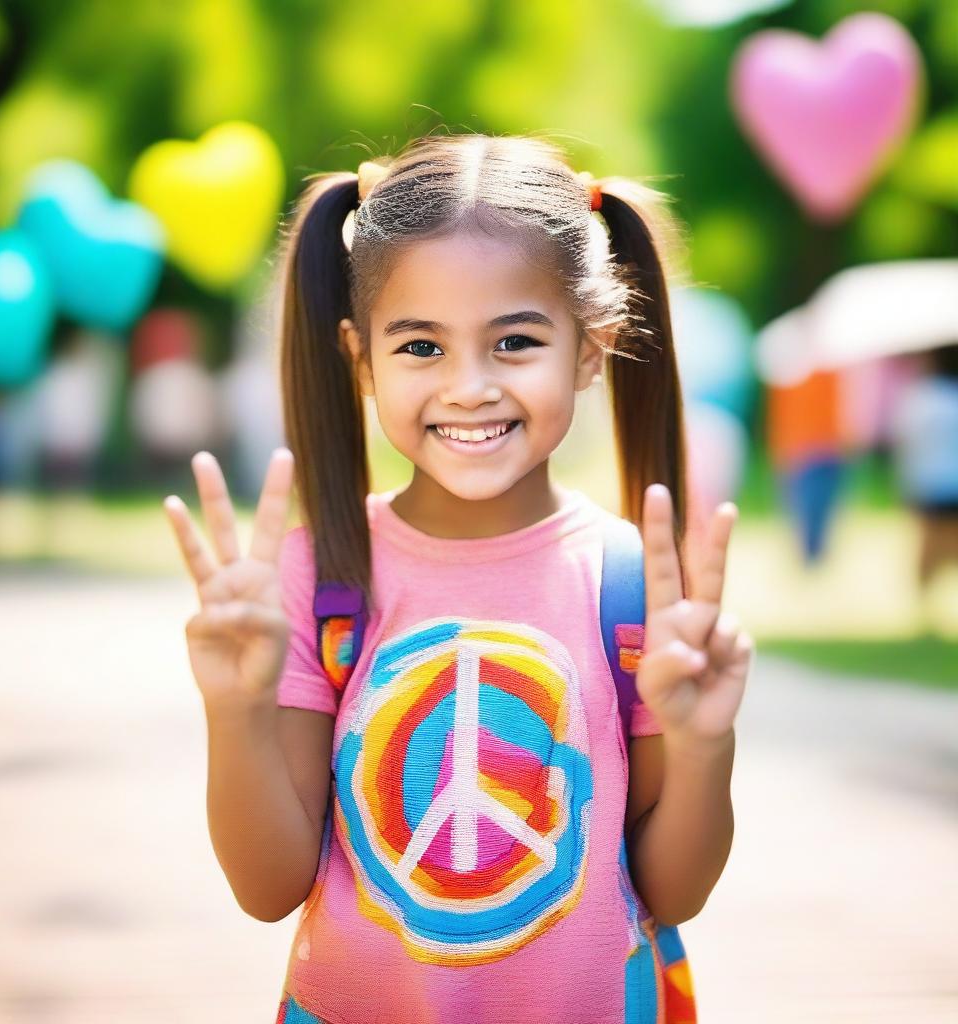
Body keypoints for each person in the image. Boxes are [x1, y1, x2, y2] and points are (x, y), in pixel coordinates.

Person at [162, 133, 754, 1023]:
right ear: (361, 358)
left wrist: (705, 744)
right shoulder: (317, 580)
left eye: (515, 340)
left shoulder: (633, 588)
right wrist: (233, 708)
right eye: (421, 347)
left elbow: (672, 891)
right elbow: (267, 886)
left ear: (589, 350)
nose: (469, 386)